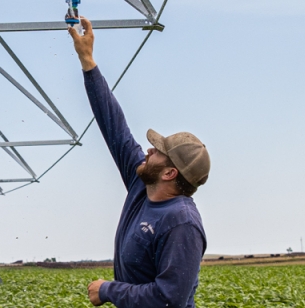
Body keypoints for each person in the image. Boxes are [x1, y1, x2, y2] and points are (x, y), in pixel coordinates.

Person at [70, 16, 212, 308]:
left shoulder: (181, 222)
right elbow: (115, 128)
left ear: (170, 172)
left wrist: (109, 290)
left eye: (158, 151)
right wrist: (88, 61)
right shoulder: (141, 184)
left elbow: (168, 299)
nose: (148, 151)